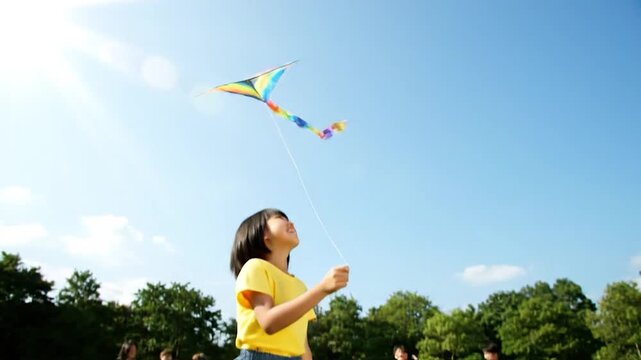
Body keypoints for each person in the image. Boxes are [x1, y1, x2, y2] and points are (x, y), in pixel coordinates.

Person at [230, 208, 350, 360]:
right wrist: (322, 289)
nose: (291, 223)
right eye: (280, 218)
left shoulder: (300, 286)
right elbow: (268, 322)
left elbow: (303, 346)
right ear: (263, 234)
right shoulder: (255, 267)